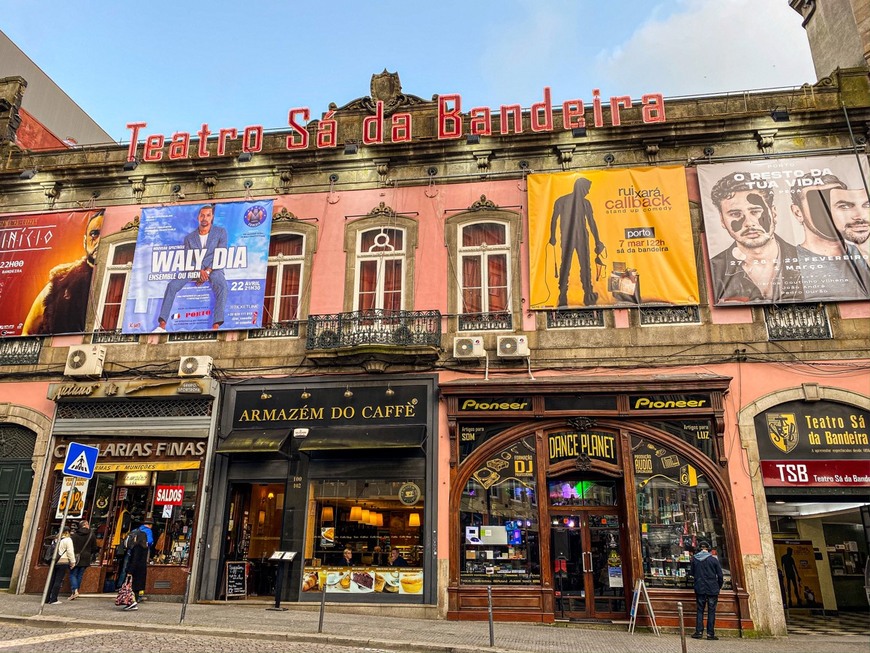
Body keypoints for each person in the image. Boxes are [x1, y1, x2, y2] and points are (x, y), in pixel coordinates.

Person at [708, 173, 803, 303]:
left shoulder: (807, 261)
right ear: (722, 220)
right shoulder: (713, 270)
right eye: (735, 214)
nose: (749, 223)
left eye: (755, 211)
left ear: (773, 213)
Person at [22, 210, 103, 335]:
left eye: (107, 234)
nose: (100, 240)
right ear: (84, 240)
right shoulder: (60, 282)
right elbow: (27, 332)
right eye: (94, 234)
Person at [789, 177, 870, 299]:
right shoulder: (788, 263)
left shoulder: (864, 251)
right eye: (818, 204)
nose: (829, 212)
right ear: (797, 212)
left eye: (842, 205)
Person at [154, 204, 228, 332]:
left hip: (214, 268)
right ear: (198, 217)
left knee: (222, 285)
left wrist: (207, 271)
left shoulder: (220, 232)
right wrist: (198, 272)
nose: (205, 218)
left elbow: (221, 253)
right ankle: (162, 324)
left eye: (208, 215)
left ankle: (216, 325)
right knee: (172, 285)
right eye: (202, 215)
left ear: (212, 217)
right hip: (194, 269)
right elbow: (189, 258)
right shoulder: (189, 238)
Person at [549, 177, 605, 306]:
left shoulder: (562, 201)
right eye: (587, 189)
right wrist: (597, 241)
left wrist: (553, 236)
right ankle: (587, 293)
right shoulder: (584, 203)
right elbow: (591, 223)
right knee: (584, 265)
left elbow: (554, 220)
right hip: (580, 236)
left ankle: (564, 294)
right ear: (581, 188)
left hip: (569, 236)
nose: (588, 192)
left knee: (566, 265)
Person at [690, 541, 723, 640]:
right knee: (711, 611)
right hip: (712, 588)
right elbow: (720, 575)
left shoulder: (694, 560)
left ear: (699, 549)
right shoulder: (713, 560)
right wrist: (718, 586)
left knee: (700, 610)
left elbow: (692, 573)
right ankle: (710, 634)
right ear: (708, 549)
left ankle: (699, 632)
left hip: (700, 588)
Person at [68, 519, 97, 600]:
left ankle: (75, 590)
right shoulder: (92, 535)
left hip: (75, 556)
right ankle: (76, 590)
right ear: (86, 525)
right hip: (86, 557)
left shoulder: (75, 535)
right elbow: (94, 547)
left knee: (73, 574)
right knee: (80, 575)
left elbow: (71, 546)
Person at [46, 527, 75, 605]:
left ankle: (47, 598)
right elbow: (70, 552)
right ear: (68, 532)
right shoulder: (68, 540)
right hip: (63, 562)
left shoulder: (55, 539)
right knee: (58, 580)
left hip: (54, 561)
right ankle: (54, 599)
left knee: (51, 580)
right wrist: (73, 562)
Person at [125, 526, 149, 611]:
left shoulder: (137, 547)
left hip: (135, 569)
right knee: (136, 588)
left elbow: (134, 559)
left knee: (131, 587)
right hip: (141, 569)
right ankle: (134, 601)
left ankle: (132, 602)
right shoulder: (145, 548)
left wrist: (130, 571)